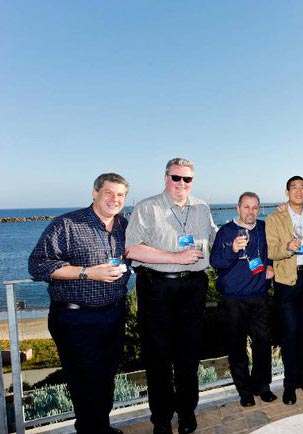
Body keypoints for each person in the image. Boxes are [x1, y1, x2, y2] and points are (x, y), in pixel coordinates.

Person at [28, 173, 131, 434]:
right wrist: (87, 272)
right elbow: (38, 265)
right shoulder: (67, 224)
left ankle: (101, 427)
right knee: (85, 381)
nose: (114, 199)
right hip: (75, 319)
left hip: (114, 314)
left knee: (106, 376)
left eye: (120, 195)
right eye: (108, 192)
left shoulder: (124, 225)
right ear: (95, 193)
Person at [125, 158, 217, 434]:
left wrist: (243, 231)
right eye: (176, 177)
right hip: (157, 289)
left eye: (187, 179)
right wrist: (175, 257)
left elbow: (215, 239)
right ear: (166, 178)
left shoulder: (202, 207)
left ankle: (187, 411)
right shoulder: (147, 208)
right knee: (158, 359)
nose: (181, 183)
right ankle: (162, 419)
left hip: (194, 288)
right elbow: (131, 250)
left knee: (189, 356)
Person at [210, 192, 277, 407]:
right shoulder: (226, 231)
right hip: (233, 300)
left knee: (263, 344)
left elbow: (272, 251)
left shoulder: (263, 228)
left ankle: (262, 386)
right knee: (236, 347)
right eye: (246, 207)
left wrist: (270, 265)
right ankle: (245, 391)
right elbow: (215, 262)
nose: (251, 212)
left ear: (259, 209)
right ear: (238, 208)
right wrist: (232, 249)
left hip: (259, 297)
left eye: (255, 207)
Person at [265, 176, 303, 405]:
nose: (298, 191)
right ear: (287, 192)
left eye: (302, 188)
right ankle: (289, 385)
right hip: (287, 281)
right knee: (289, 334)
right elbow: (271, 250)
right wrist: (288, 247)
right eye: (294, 188)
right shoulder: (275, 217)